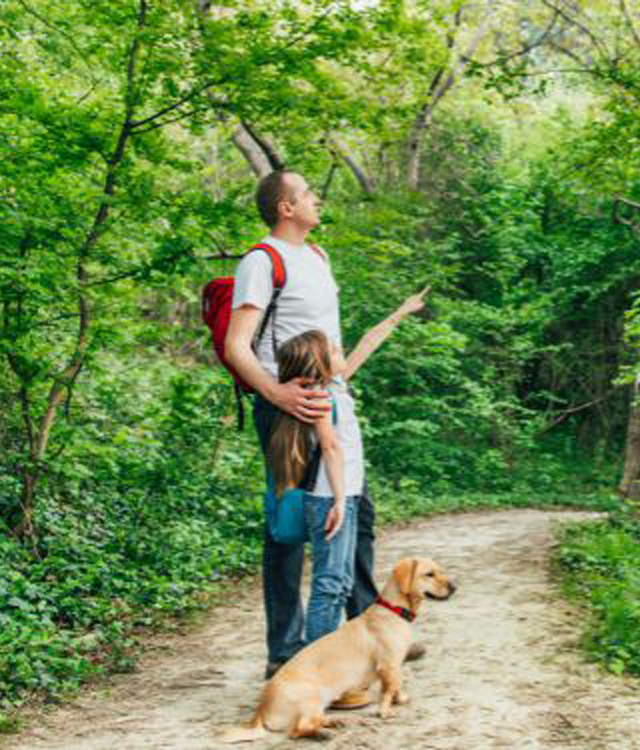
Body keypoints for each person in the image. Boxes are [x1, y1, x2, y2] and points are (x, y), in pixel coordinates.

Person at [225, 170, 426, 698]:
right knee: (289, 530)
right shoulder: (260, 261)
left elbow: (333, 344)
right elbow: (236, 345)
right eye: (309, 194)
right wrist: (277, 394)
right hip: (288, 409)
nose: (318, 199)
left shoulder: (316, 257)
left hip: (328, 399)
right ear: (286, 208)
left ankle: (372, 630)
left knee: (357, 513)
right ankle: (285, 653)